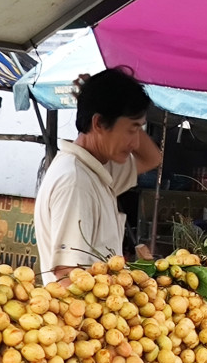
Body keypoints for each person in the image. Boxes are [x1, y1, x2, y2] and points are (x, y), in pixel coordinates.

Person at [34, 67, 163, 284]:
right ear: (99, 123)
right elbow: (67, 276)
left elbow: (152, 158)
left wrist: (99, 100)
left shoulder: (99, 168)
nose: (135, 143)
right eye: (131, 130)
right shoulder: (75, 181)